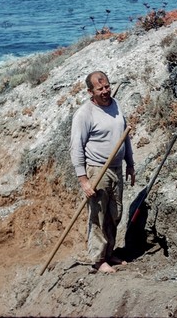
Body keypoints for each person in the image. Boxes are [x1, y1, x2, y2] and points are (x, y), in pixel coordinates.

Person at [70, 71, 136, 273]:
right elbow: (76, 147)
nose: (106, 91)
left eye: (107, 86)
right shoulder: (84, 114)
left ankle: (109, 253)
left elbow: (124, 137)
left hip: (117, 167)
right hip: (97, 169)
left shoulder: (116, 105)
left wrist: (130, 164)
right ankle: (98, 260)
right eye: (100, 89)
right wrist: (83, 180)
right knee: (98, 215)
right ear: (91, 92)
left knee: (115, 213)